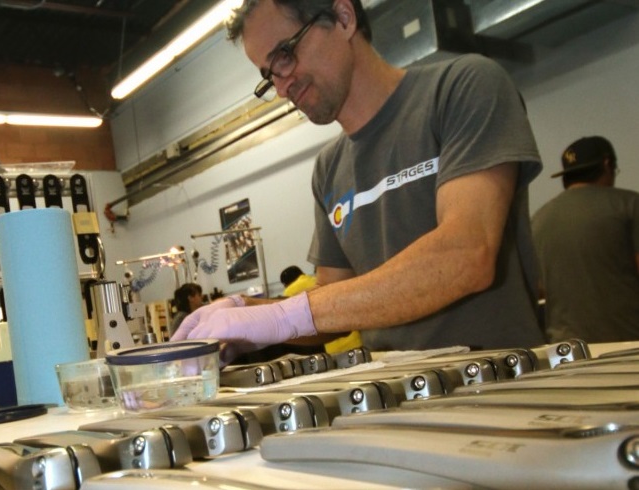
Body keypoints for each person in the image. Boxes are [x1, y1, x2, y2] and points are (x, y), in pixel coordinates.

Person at [172, 0, 546, 359]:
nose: (282, 88)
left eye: (284, 54)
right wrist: (246, 313)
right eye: (269, 75)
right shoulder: (330, 168)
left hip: (499, 385)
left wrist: (283, 317)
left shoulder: (461, 88)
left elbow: (466, 253)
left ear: (344, 17)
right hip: (398, 392)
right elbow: (333, 303)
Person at [531, 136, 639, 342]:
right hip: (627, 343)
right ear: (607, 164)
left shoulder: (539, 219)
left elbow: (538, 288)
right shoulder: (630, 204)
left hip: (565, 350)